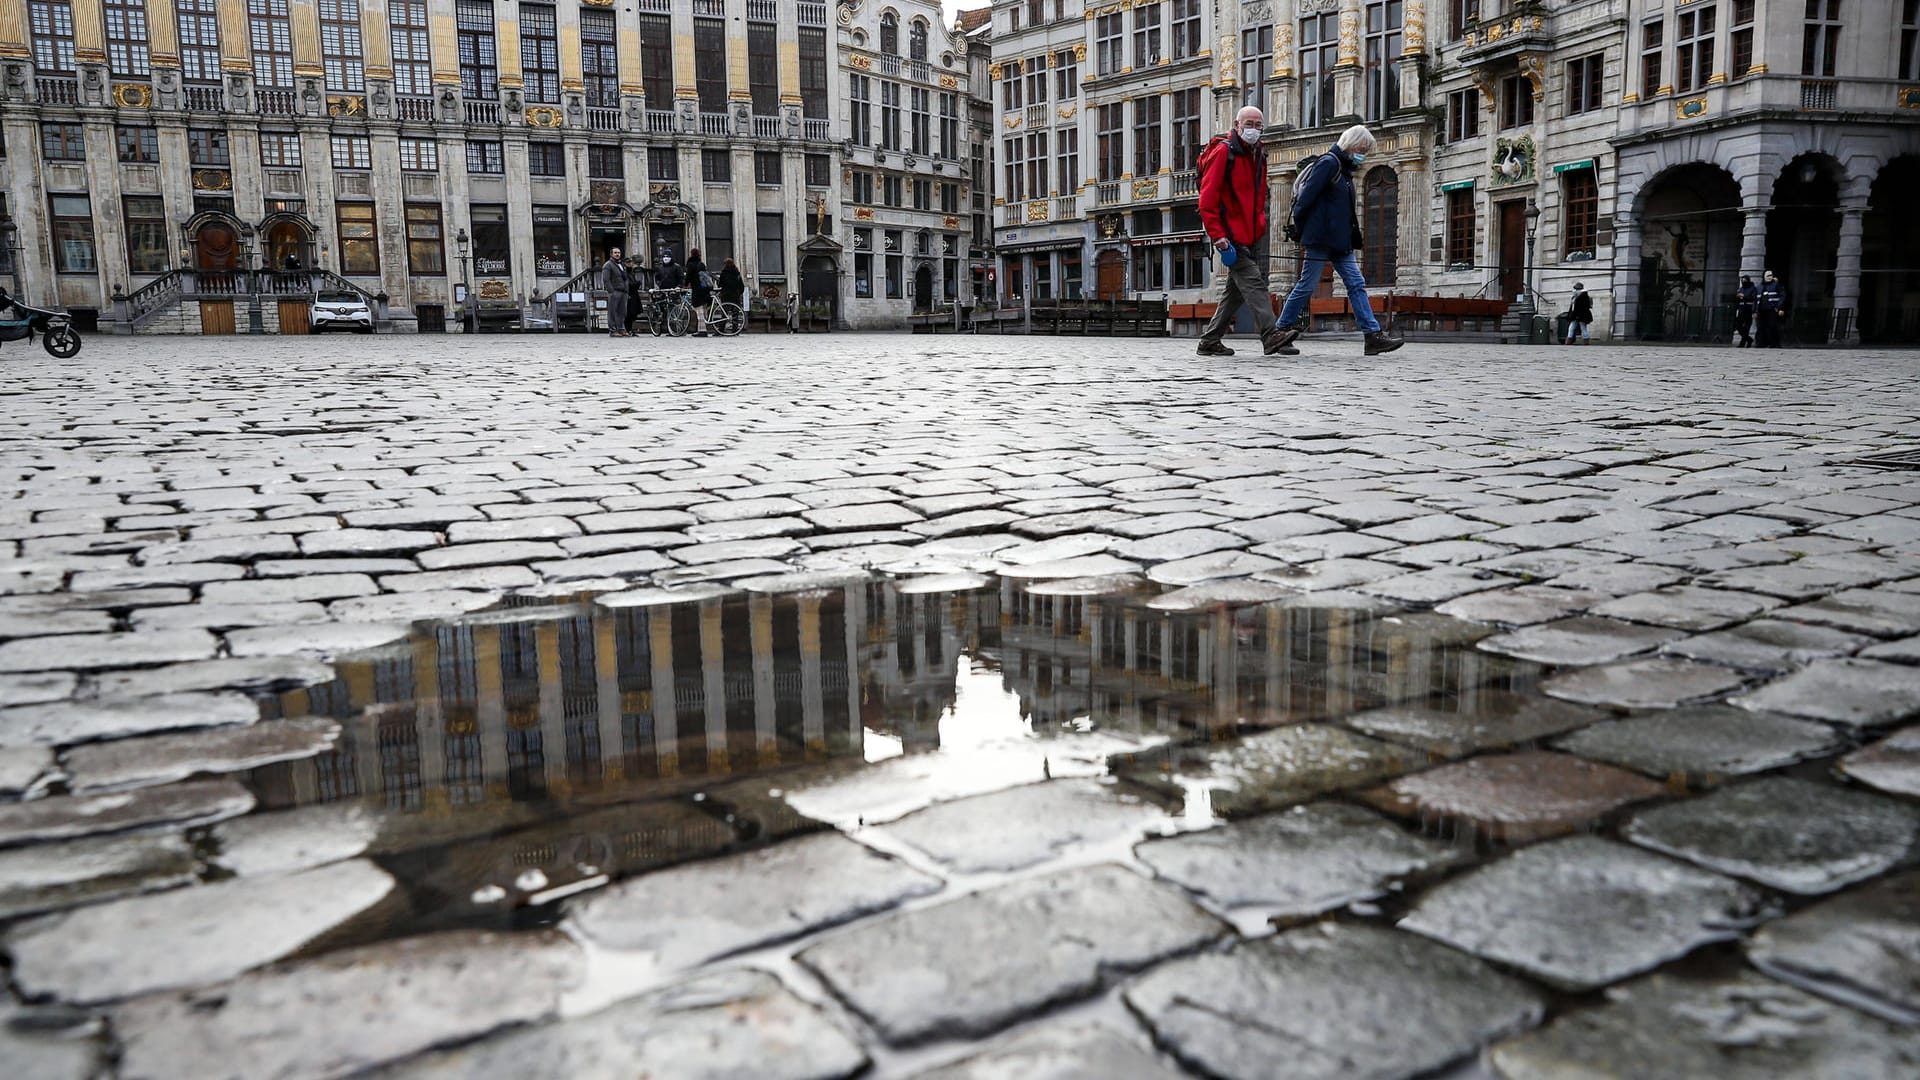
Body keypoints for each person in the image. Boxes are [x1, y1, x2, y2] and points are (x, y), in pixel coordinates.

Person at [1273, 125, 1402, 357]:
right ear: (1352, 144)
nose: (1364, 153)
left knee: (1356, 283)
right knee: (1307, 285)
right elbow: (1304, 200)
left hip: (1340, 242)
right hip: (1320, 239)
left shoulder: (1344, 171)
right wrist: (1304, 233)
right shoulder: (1329, 163)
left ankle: (1372, 336)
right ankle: (1280, 332)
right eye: (1363, 148)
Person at [1195, 105, 1286, 357]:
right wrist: (1218, 236)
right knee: (1254, 281)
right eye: (1249, 124)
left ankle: (1209, 341)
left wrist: (1259, 227)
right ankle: (1271, 333)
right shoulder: (1224, 153)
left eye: (1258, 125)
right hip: (1231, 234)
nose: (1253, 129)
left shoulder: (1258, 153)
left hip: (1250, 233)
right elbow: (1207, 200)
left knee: (1234, 293)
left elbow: (1257, 196)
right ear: (1237, 125)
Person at [599, 246, 630, 337]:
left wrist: (626, 290)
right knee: (612, 312)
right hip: (615, 291)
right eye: (615, 253)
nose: (617, 254)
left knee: (622, 312)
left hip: (623, 291)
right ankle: (612, 330)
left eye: (619, 253)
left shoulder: (621, 265)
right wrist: (611, 291)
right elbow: (606, 280)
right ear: (611, 254)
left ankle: (621, 329)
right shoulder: (608, 265)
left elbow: (625, 278)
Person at [1756, 269, 1787, 348]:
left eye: (1771, 275)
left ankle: (1774, 343)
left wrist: (1780, 308)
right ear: (1764, 276)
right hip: (1761, 310)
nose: (1770, 277)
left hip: (1772, 309)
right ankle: (1761, 343)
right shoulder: (1759, 286)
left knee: (1772, 326)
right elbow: (1755, 300)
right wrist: (1754, 311)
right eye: (1768, 275)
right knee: (1760, 327)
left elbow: (1783, 296)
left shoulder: (1777, 285)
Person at [685, 248, 711, 336]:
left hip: (697, 289)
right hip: (705, 289)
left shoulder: (691, 264)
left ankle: (702, 330)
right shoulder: (701, 264)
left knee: (698, 309)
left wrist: (685, 283)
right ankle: (701, 329)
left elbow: (688, 276)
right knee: (703, 309)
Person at [718, 258, 746, 333]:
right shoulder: (737, 273)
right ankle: (735, 329)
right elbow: (741, 285)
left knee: (724, 313)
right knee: (735, 313)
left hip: (725, 295)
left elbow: (720, 284)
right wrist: (739, 293)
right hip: (735, 295)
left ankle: (721, 329)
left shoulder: (723, 273)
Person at [1733, 276, 1758, 347]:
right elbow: (1737, 299)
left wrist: (1754, 311)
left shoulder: (1753, 289)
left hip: (1748, 309)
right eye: (1742, 280)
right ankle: (1749, 339)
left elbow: (1754, 299)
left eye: (1745, 280)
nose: (1743, 281)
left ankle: (1742, 343)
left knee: (1747, 327)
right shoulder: (1741, 289)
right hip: (1741, 309)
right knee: (1738, 326)